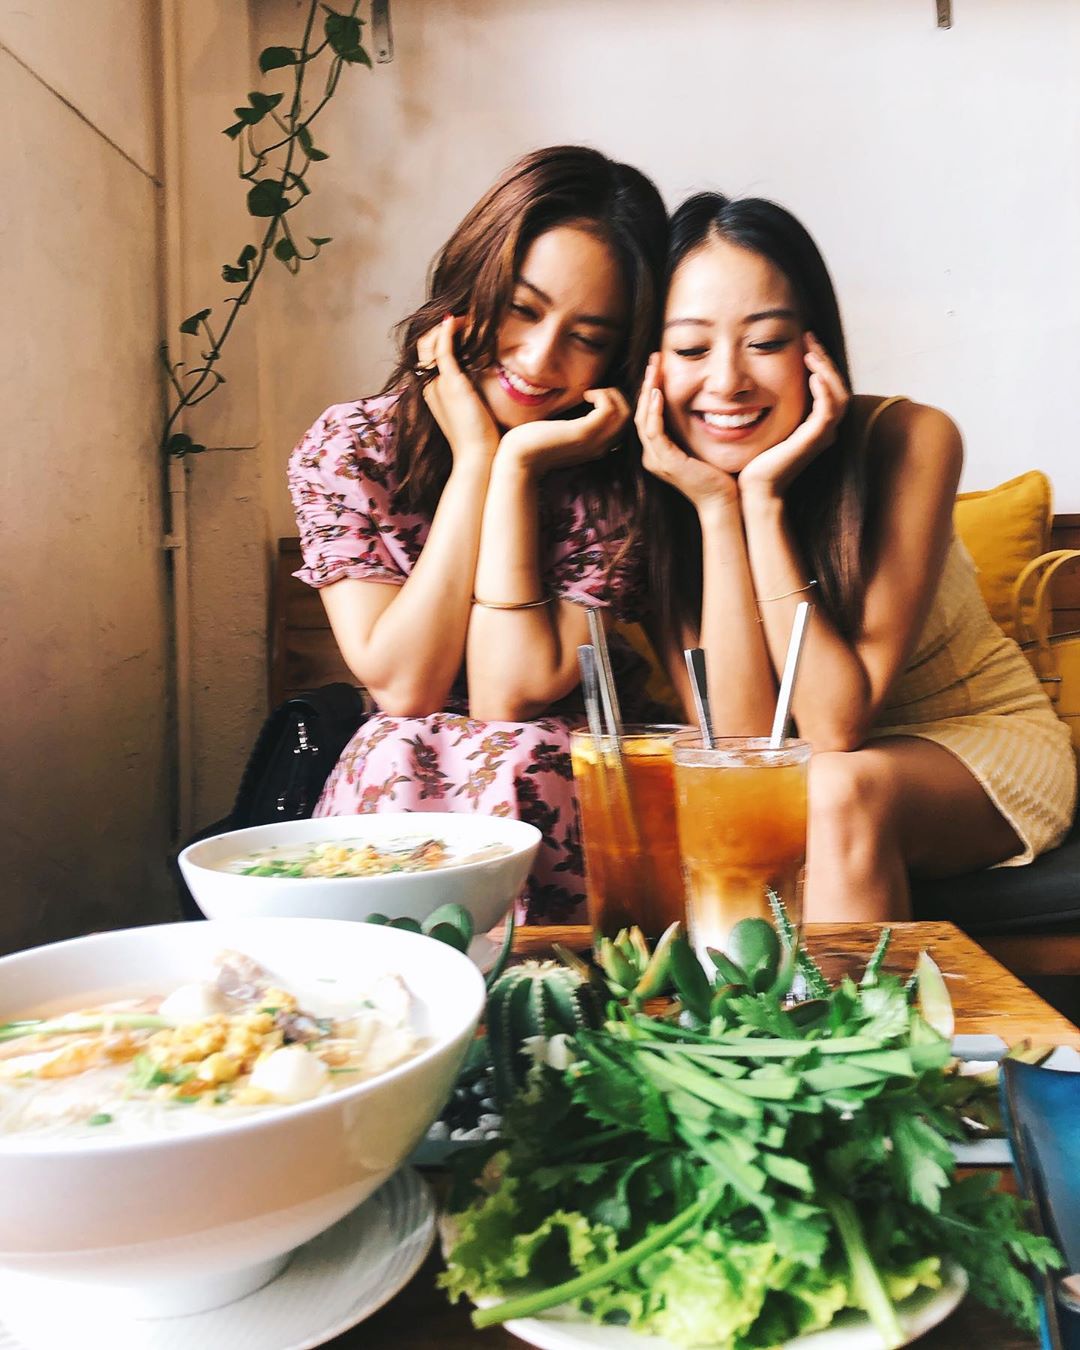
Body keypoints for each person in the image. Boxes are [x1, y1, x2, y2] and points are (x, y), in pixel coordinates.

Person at [635, 192, 1076, 921]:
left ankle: (836, 1007)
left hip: (972, 742)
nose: (728, 381)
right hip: (809, 775)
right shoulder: (653, 493)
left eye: (765, 342)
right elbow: (742, 746)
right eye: (690, 349)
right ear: (649, 365)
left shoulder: (911, 439)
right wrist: (716, 509)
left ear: (814, 347)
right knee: (791, 792)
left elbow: (834, 729)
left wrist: (764, 501)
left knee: (836, 785)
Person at [288, 146, 668, 923]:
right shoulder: (352, 448)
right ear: (471, 287)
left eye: (587, 336)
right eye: (524, 309)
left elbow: (508, 694)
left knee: (524, 752)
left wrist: (519, 467)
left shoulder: (616, 480)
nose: (540, 358)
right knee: (399, 740)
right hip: (400, 778)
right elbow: (404, 687)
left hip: (563, 769)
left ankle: (545, 982)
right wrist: (476, 460)